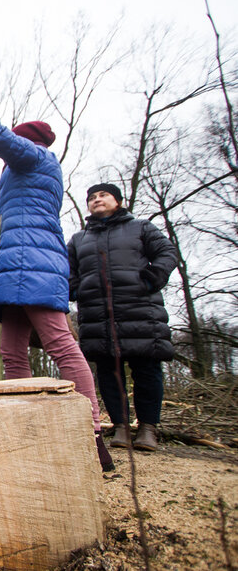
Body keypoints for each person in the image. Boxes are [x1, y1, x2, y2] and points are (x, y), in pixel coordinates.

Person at [0, 34, 114, 471]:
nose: (6, 152)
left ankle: (90, 432)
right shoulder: (18, 175)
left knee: (60, 344)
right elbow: (20, 223)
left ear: (26, 142)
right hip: (12, 268)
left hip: (35, 267)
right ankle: (27, 425)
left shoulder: (34, 158)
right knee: (13, 351)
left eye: (11, 145)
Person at [68, 183, 178, 452]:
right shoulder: (79, 239)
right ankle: (120, 427)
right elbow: (67, 270)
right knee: (108, 372)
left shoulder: (141, 227)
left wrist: (153, 278)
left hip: (140, 309)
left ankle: (148, 429)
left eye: (103, 195)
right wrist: (76, 290)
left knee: (147, 370)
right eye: (92, 197)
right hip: (97, 315)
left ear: (117, 201)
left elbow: (167, 252)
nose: (97, 200)